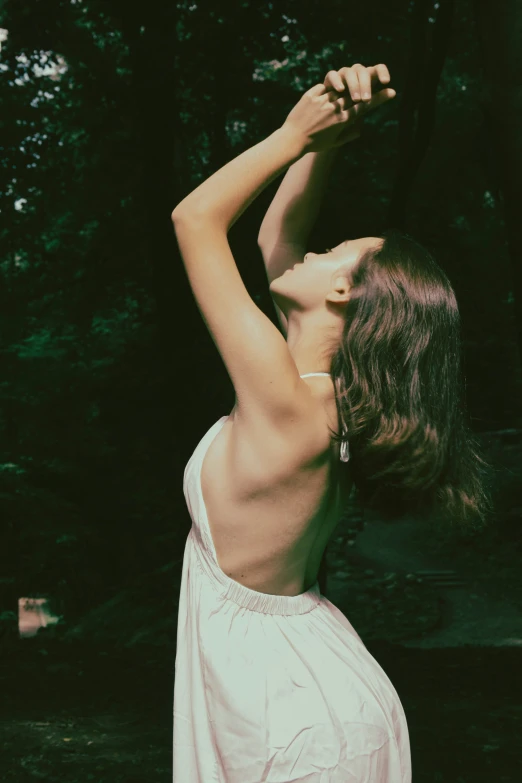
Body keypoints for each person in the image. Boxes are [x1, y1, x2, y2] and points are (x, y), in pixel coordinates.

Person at [171, 63, 491, 782]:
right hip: (310, 690)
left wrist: (292, 134)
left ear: (343, 291)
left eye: (332, 253)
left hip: (287, 721)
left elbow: (195, 220)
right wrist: (333, 136)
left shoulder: (285, 403)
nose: (311, 250)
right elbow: (272, 242)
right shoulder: (321, 399)